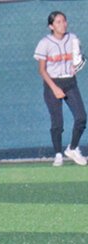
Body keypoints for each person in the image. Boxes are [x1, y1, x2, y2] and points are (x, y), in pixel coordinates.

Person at [34, 10, 87, 166]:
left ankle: (73, 148)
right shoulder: (45, 43)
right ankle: (58, 154)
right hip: (52, 84)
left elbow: (79, 60)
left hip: (70, 83)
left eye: (64, 20)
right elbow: (42, 70)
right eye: (58, 22)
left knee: (81, 118)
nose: (62, 24)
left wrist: (78, 64)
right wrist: (55, 88)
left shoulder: (72, 38)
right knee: (57, 122)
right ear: (51, 26)